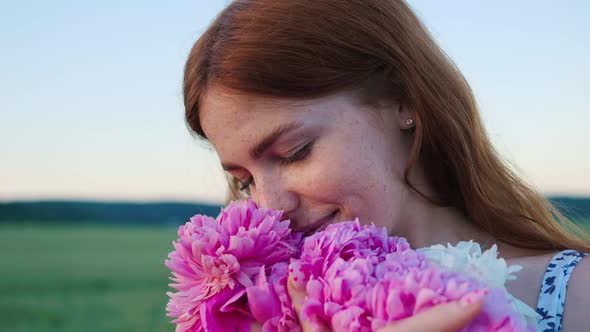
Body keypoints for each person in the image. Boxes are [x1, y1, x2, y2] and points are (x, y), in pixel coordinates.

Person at [183, 0, 590, 330]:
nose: (270, 207)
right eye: (245, 180)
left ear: (404, 99)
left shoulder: (574, 296)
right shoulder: (262, 312)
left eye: (295, 152)